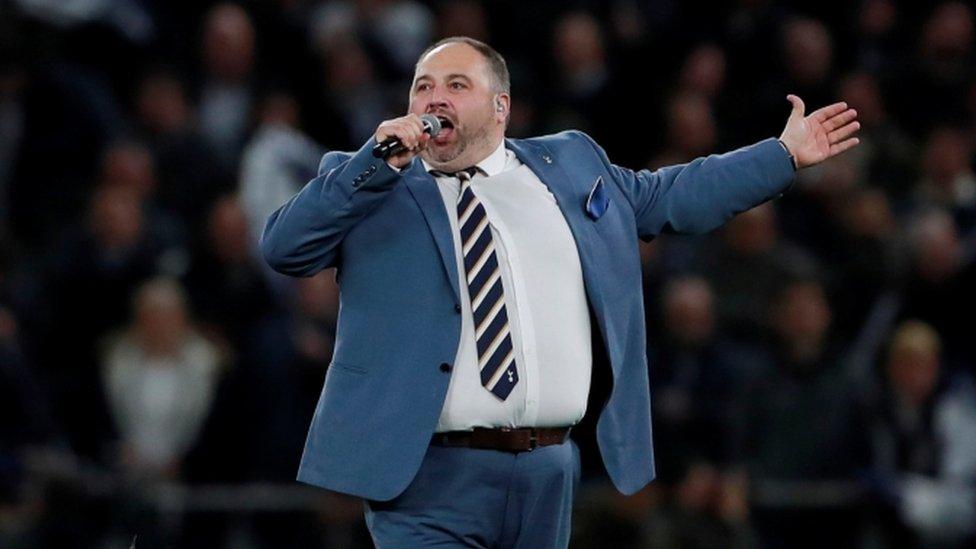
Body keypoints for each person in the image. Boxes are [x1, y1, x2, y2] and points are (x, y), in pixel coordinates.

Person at [260, 36, 860, 547]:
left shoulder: (570, 166)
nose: (432, 98)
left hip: (549, 470)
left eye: (455, 84)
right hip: (424, 476)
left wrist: (782, 156)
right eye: (422, 85)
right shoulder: (371, 182)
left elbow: (673, 195)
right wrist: (378, 159)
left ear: (500, 106)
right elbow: (286, 248)